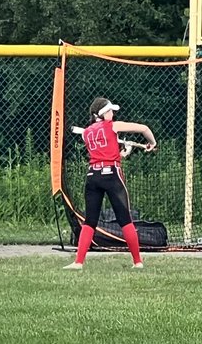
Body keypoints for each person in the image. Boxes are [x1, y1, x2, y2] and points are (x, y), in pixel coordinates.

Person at [63, 97, 156, 270]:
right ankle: (137, 262)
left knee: (90, 220)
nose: (113, 114)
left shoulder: (87, 132)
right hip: (112, 175)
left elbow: (105, 152)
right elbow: (144, 128)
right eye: (110, 111)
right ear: (103, 113)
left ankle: (78, 262)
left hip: (93, 176)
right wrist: (152, 142)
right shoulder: (113, 125)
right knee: (125, 219)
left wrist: (124, 152)